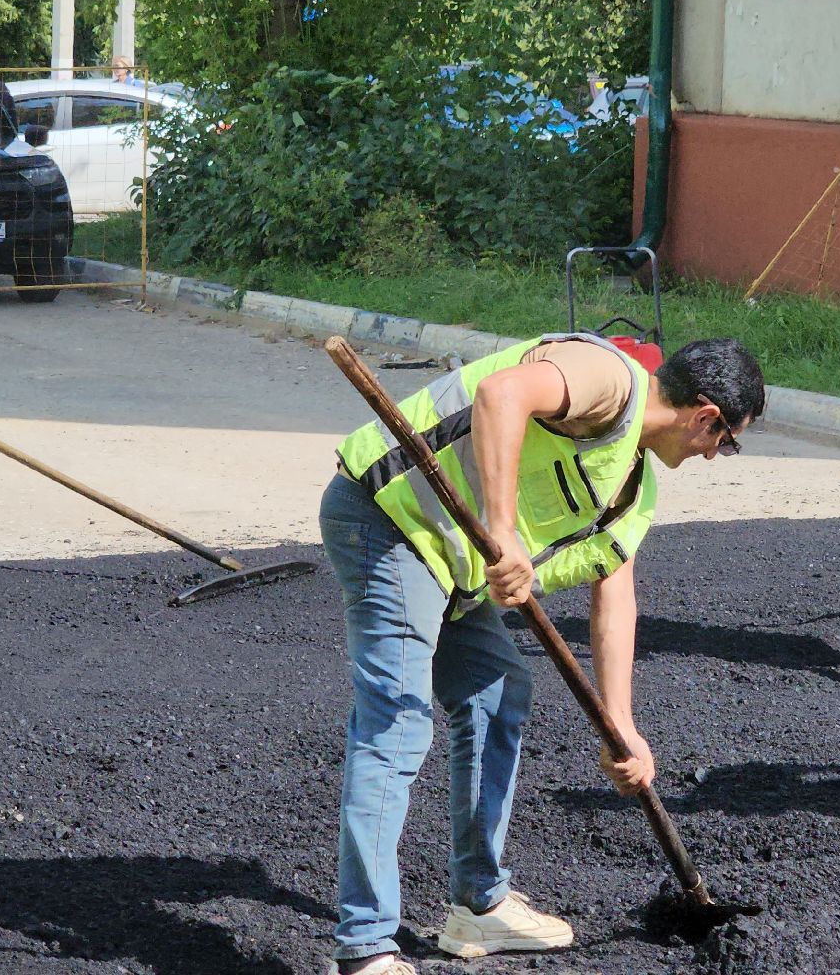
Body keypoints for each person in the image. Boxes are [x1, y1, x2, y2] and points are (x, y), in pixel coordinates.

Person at [321, 335, 765, 975]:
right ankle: (364, 947)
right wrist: (502, 531)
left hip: (451, 562)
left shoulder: (633, 489)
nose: (715, 456)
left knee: (499, 691)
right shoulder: (608, 379)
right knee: (398, 719)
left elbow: (616, 597)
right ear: (706, 415)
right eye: (725, 442)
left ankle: (479, 903)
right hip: (389, 517)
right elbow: (501, 394)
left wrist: (622, 728)